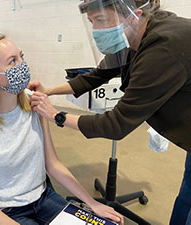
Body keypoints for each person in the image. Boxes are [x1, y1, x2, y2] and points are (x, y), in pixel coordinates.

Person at [28, 0, 191, 224]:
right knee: (187, 198)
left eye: (102, 20)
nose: (97, 30)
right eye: (92, 22)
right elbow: (95, 77)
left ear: (135, 14)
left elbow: (116, 124)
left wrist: (57, 115)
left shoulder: (163, 46)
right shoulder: (132, 35)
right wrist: (49, 90)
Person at [0, 33, 124, 225]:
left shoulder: (32, 102)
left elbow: (52, 164)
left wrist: (92, 203)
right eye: (12, 61)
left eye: (21, 56)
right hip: (5, 211)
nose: (22, 65)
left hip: (43, 198)